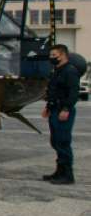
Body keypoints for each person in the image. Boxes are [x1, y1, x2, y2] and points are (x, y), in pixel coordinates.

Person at [42, 44, 80, 185]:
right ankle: (59, 171)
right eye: (51, 55)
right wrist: (48, 107)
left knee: (63, 141)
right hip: (54, 109)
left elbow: (73, 93)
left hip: (63, 110)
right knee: (56, 141)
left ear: (63, 55)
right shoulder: (57, 71)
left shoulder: (70, 71)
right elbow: (53, 91)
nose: (51, 58)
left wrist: (66, 109)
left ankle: (67, 174)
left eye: (54, 55)